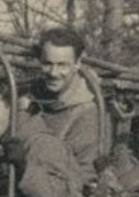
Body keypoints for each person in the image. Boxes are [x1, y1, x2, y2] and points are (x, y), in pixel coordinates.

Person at [21, 26, 107, 174]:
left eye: (62, 65)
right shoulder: (32, 94)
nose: (54, 73)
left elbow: (81, 174)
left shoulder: (87, 113)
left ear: (77, 63)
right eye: (47, 64)